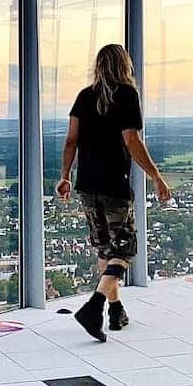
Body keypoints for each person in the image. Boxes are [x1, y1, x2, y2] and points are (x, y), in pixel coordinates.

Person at [55, 44, 171, 342]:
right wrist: (156, 176)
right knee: (124, 248)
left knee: (106, 250)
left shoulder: (84, 95)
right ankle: (93, 307)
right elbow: (131, 140)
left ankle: (115, 310)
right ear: (124, 65)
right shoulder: (126, 95)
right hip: (113, 185)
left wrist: (65, 176)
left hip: (87, 186)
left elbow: (71, 141)